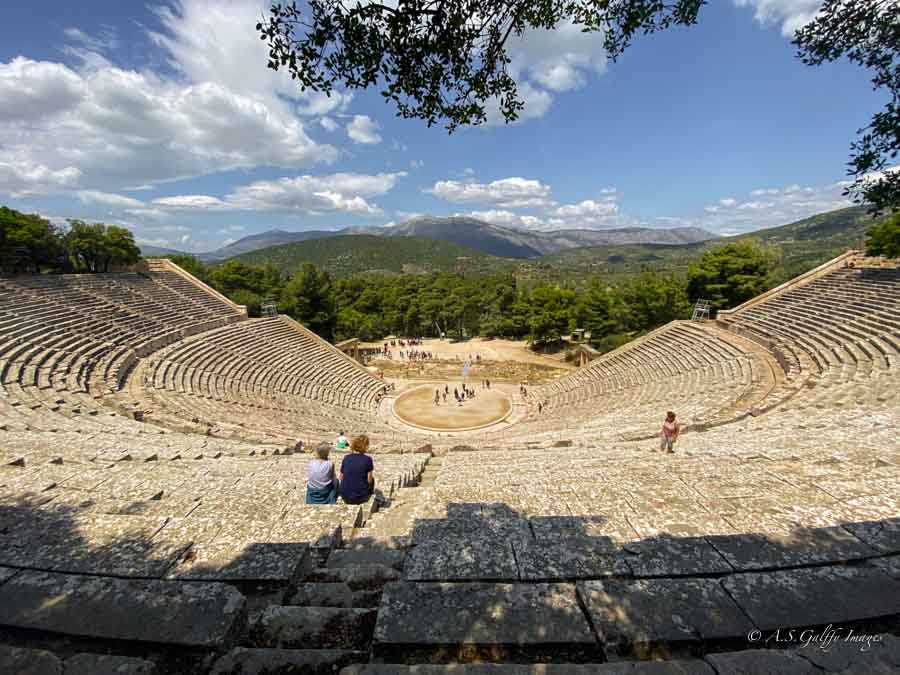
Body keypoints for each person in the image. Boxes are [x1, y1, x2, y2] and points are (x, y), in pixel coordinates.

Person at [340, 435, 375, 505]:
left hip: (345, 496)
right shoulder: (368, 459)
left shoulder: (346, 458)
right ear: (365, 446)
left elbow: (341, 477)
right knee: (373, 479)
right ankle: (368, 495)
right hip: (360, 497)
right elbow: (369, 480)